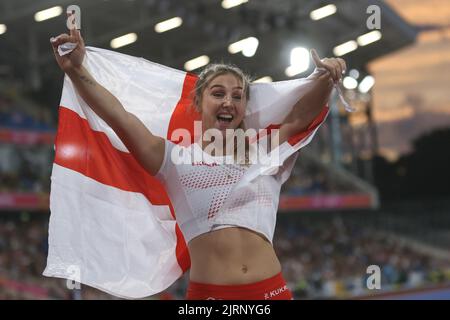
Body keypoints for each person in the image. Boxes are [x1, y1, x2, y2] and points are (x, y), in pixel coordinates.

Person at [50, 27, 346, 300]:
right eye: (218, 93)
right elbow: (119, 116)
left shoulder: (264, 150)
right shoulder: (173, 159)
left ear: (244, 108)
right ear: (199, 102)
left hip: (272, 292)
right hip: (208, 297)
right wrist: (77, 71)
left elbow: (300, 116)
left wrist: (327, 77)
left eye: (237, 96)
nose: (228, 101)